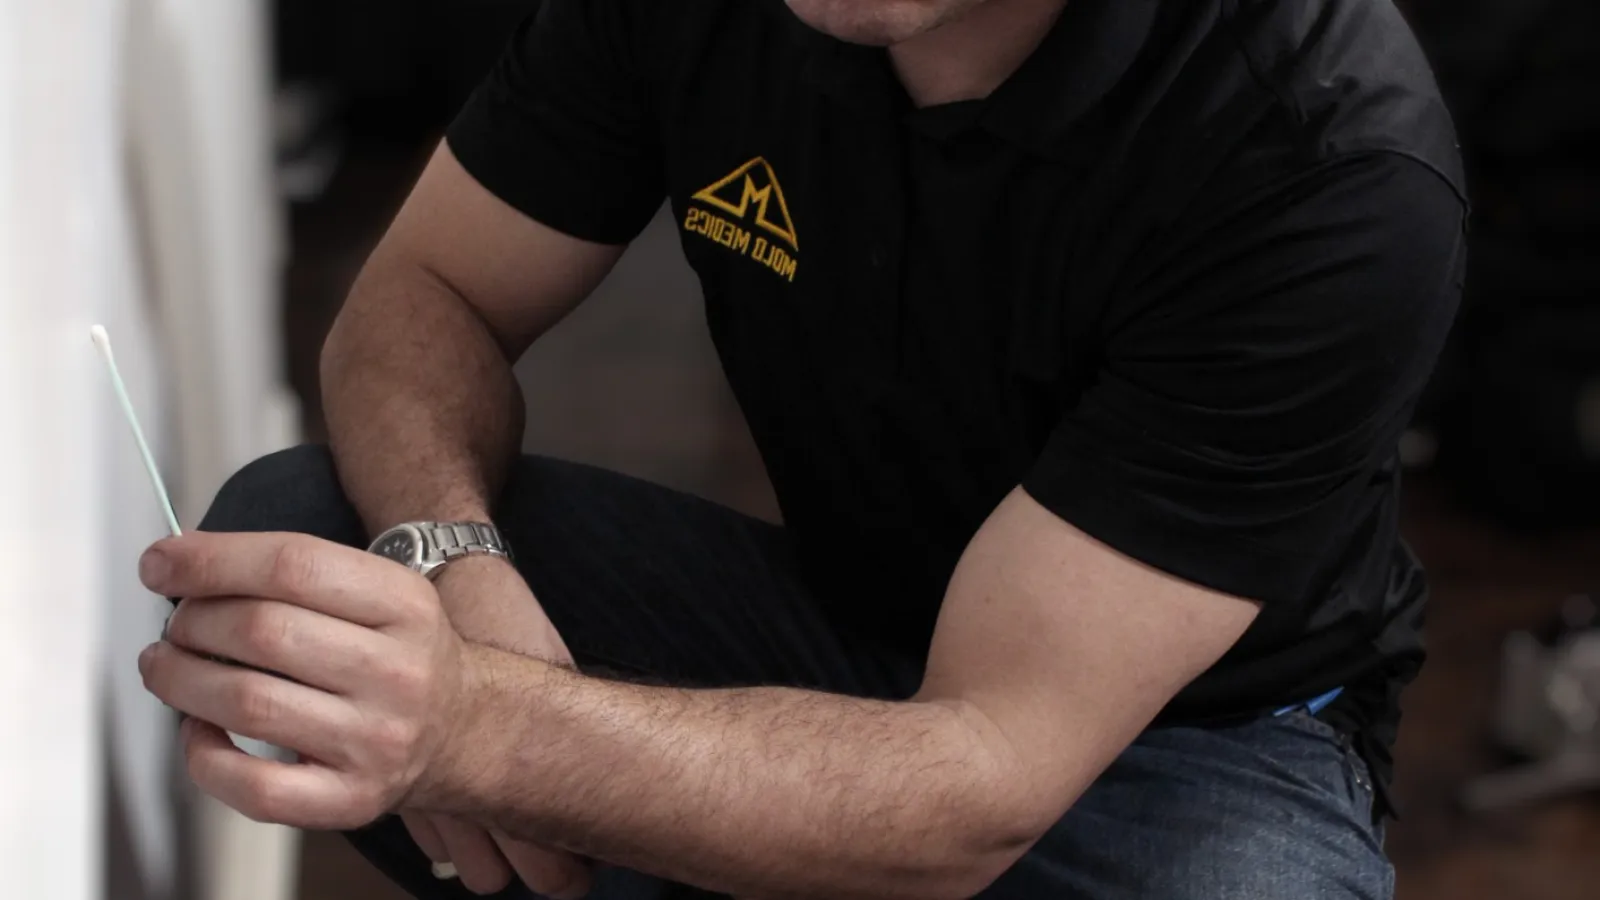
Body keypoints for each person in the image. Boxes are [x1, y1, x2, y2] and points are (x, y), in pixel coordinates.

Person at [134, 0, 1467, 897]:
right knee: (300, 559)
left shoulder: (1324, 163)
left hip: (1192, 740)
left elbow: (979, 775)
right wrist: (460, 567)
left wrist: (489, 727)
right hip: (858, 627)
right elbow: (423, 298)